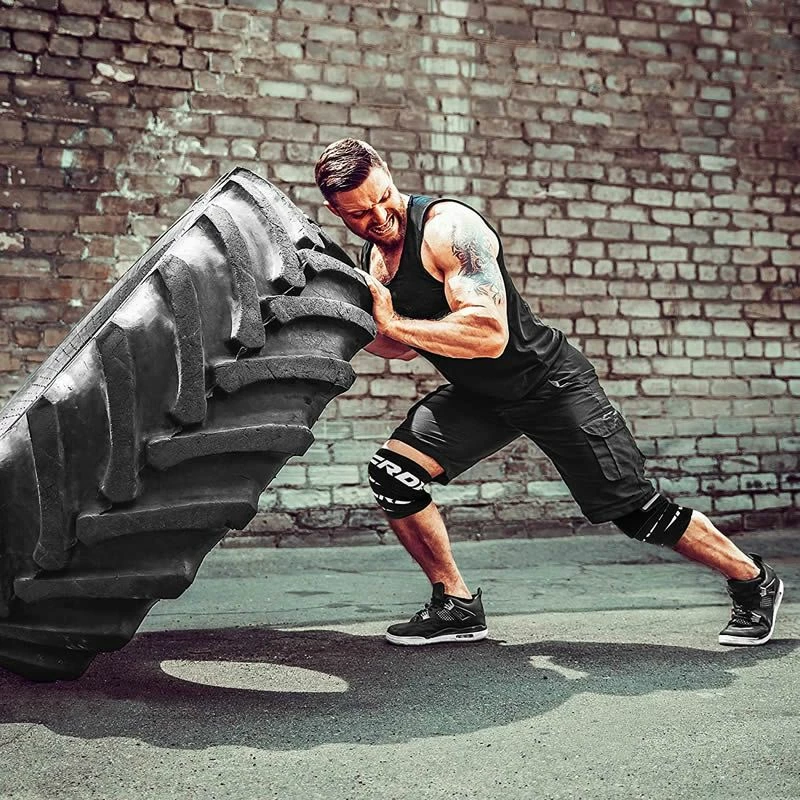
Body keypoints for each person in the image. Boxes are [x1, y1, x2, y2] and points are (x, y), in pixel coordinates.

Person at [313, 137, 784, 648]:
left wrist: (391, 322)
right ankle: (456, 604)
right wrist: (346, 318)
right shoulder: (376, 258)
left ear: (387, 172)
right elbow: (401, 348)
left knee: (636, 512)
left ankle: (753, 579)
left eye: (384, 197)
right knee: (394, 476)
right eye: (359, 214)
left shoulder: (448, 229)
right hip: (481, 396)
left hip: (550, 384)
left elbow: (488, 334)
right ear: (336, 211)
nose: (380, 217)